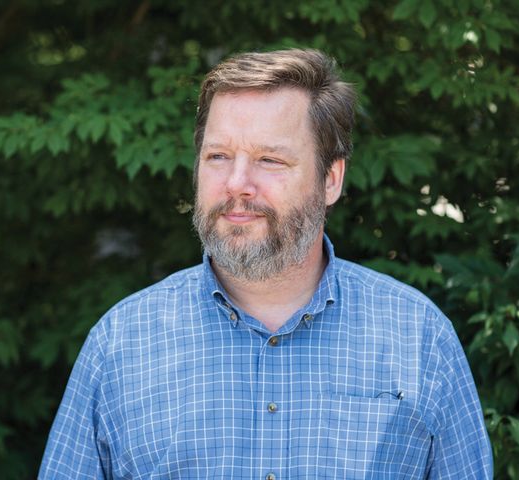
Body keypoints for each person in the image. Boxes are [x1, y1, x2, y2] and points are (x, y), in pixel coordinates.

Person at [38, 49, 493, 479]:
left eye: (269, 159)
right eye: (218, 156)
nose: (237, 183)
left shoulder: (418, 337)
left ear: (330, 179)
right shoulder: (121, 344)